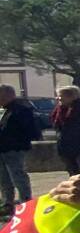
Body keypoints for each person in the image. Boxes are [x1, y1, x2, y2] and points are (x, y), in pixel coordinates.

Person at [0, 84, 38, 217]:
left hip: (14, 148)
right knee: (4, 179)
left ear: (9, 95)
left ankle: (25, 203)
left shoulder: (21, 109)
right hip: (3, 148)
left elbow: (26, 129)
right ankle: (7, 204)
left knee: (18, 176)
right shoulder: (4, 109)